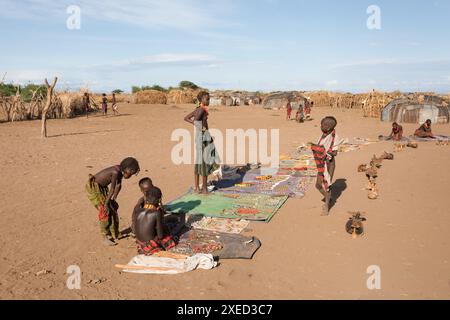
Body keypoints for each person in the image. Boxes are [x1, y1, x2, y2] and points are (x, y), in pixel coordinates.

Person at [85, 157, 140, 246]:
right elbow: (112, 188)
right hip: (94, 188)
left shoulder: (120, 171)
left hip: (102, 188)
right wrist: (106, 203)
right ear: (127, 170)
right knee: (105, 212)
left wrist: (113, 199)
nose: (130, 176)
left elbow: (118, 185)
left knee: (112, 209)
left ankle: (115, 234)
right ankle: (105, 237)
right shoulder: (115, 172)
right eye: (131, 174)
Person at [184, 91, 220, 194]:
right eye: (207, 99)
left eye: (209, 99)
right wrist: (202, 128)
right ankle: (204, 189)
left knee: (199, 160)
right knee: (205, 162)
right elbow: (196, 120)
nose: (209, 100)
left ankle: (196, 188)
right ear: (201, 100)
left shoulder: (198, 109)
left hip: (201, 136)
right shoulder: (201, 110)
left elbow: (186, 118)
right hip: (203, 137)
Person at [133, 181, 177, 255]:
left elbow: (135, 228)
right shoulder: (156, 213)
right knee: (167, 232)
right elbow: (160, 236)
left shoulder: (137, 209)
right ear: (159, 200)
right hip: (150, 245)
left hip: (140, 243)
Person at [311, 117, 339, 216]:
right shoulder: (323, 135)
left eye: (323, 125)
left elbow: (335, 152)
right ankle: (329, 198)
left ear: (328, 127)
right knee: (318, 185)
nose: (321, 126)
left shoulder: (334, 137)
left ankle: (326, 206)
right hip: (321, 164)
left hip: (328, 164)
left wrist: (329, 153)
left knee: (326, 185)